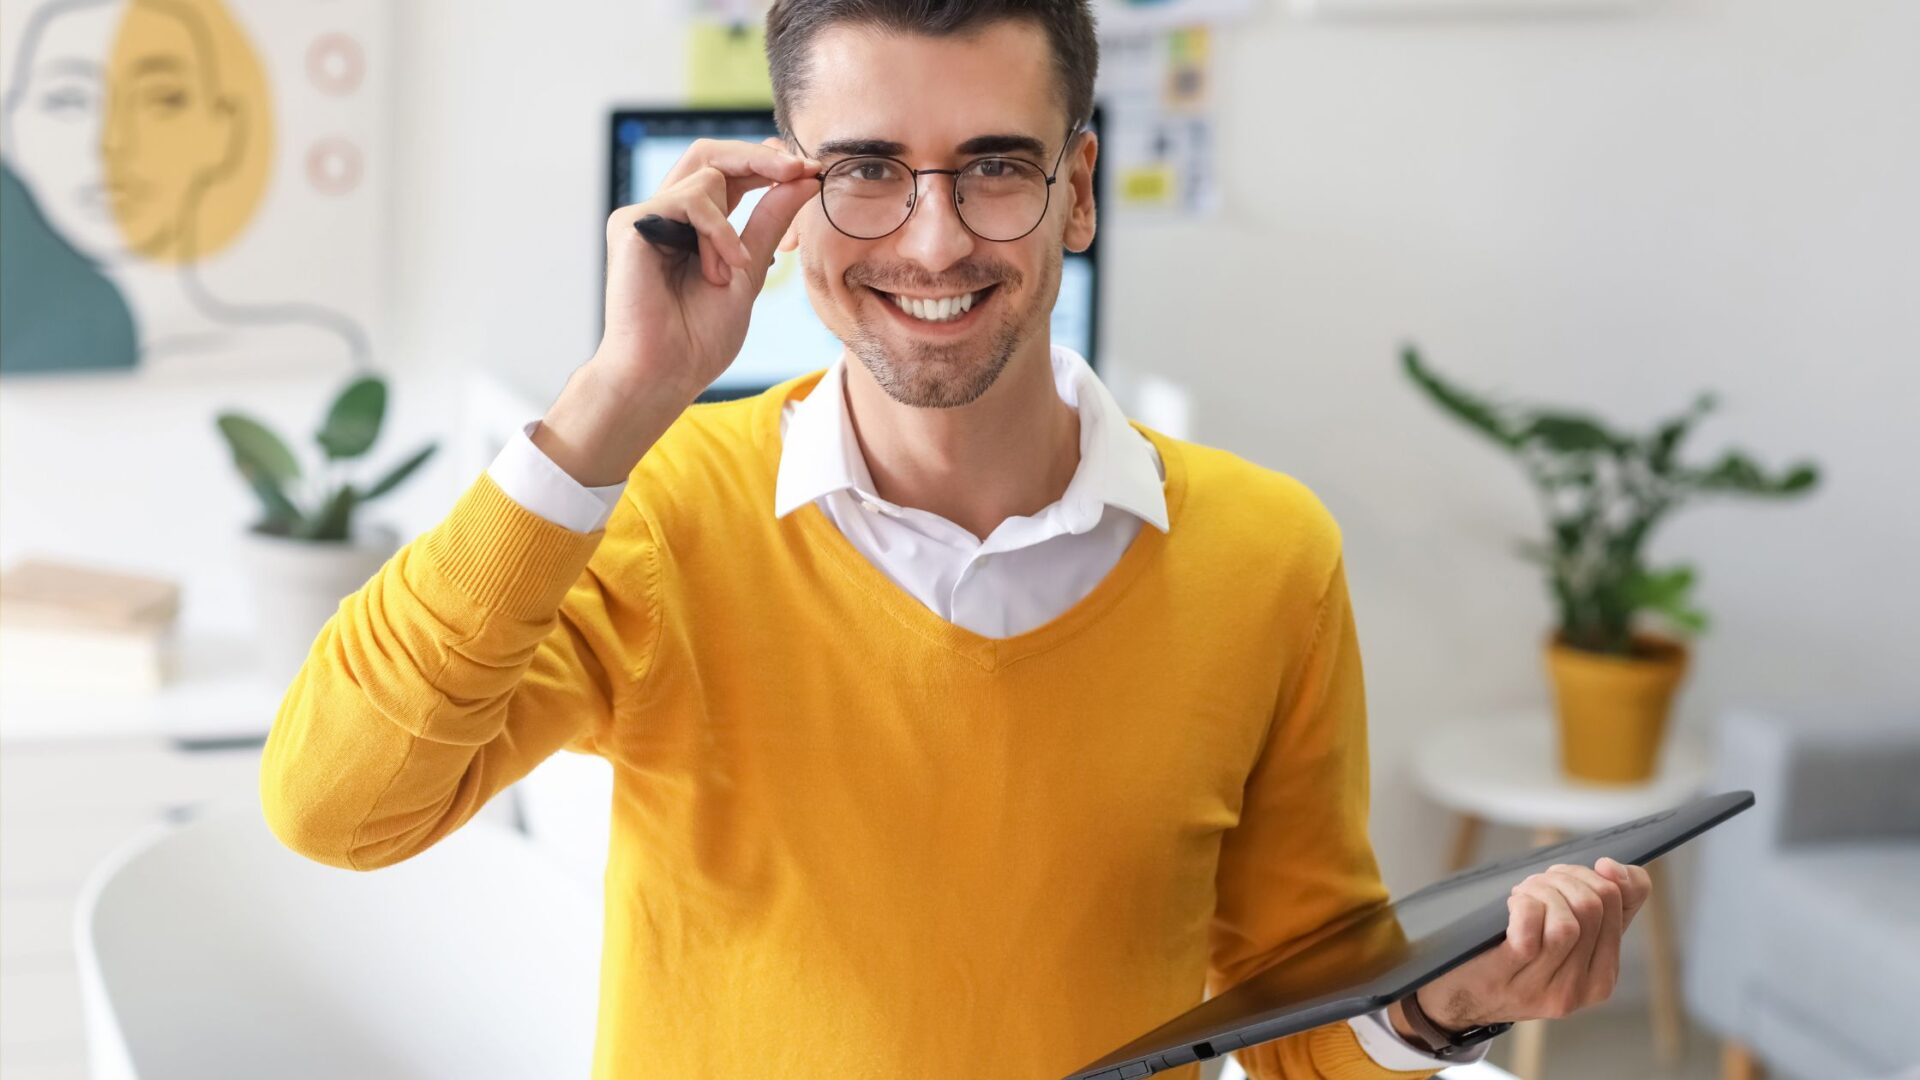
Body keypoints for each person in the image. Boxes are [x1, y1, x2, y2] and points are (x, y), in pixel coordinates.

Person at [260, 1, 1652, 1076]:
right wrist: (614, 400)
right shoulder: (658, 513)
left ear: (1079, 187)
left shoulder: (1268, 555)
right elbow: (335, 806)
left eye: (994, 167)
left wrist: (1432, 1012)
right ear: (785, 200)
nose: (932, 243)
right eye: (867, 169)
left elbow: (1298, 1026)